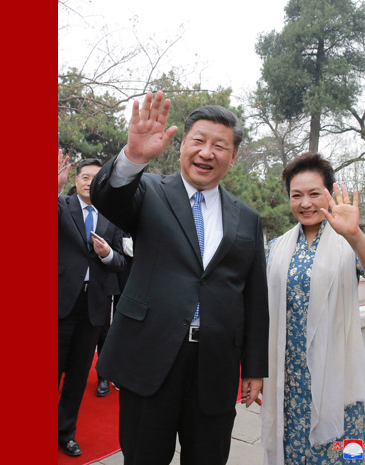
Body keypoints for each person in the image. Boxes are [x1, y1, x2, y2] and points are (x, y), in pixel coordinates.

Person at [90, 91, 269, 465]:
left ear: (233, 156)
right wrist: (133, 157)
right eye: (199, 141)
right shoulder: (148, 191)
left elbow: (254, 298)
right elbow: (109, 197)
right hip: (150, 356)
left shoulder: (247, 220)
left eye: (220, 146)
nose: (207, 153)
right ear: (183, 143)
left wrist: (254, 367)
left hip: (215, 366)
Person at [261, 152, 365, 465]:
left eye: (314, 194)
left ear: (329, 194)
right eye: (297, 195)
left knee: (340, 454)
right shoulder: (276, 248)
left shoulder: (346, 240)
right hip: (290, 381)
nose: (305, 203)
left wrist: (355, 235)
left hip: (336, 376)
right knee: (292, 454)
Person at [58, 154, 126, 457]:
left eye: (96, 179)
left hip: (94, 308)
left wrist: (107, 254)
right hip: (60, 303)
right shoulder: (62, 206)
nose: (89, 183)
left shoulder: (111, 217)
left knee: (77, 375)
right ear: (76, 180)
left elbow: (120, 261)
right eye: (85, 177)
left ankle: (65, 432)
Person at [94, 231, 134, 396]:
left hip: (130, 271)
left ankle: (112, 372)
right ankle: (103, 374)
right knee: (103, 326)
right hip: (105, 272)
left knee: (122, 324)